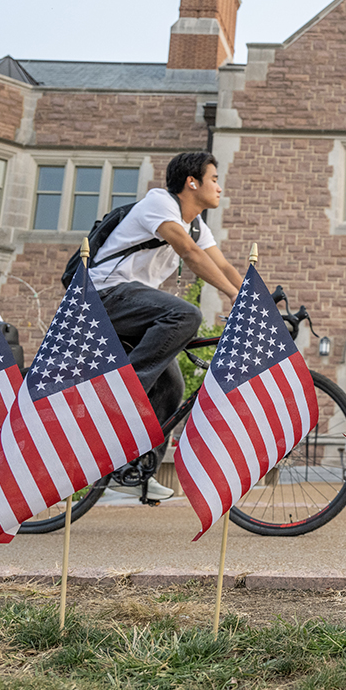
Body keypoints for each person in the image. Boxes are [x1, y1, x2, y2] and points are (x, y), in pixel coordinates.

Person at [90, 151, 244, 499]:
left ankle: (133, 473)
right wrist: (233, 294)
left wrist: (254, 299)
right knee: (187, 315)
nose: (219, 187)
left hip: (132, 306)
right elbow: (190, 253)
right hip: (103, 295)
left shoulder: (195, 223)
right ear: (193, 182)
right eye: (214, 179)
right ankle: (119, 396)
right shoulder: (158, 203)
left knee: (170, 387)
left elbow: (224, 265)